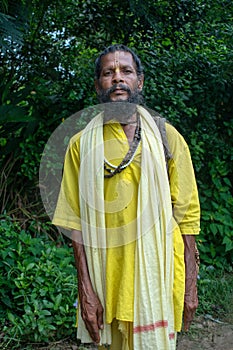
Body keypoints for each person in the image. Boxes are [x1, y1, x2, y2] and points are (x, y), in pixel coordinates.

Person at [52, 44, 200, 350]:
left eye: (126, 71)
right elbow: (74, 220)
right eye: (108, 73)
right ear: (98, 85)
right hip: (108, 279)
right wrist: (86, 290)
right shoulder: (81, 145)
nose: (118, 78)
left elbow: (187, 216)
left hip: (158, 277)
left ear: (139, 81)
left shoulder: (166, 138)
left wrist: (190, 286)